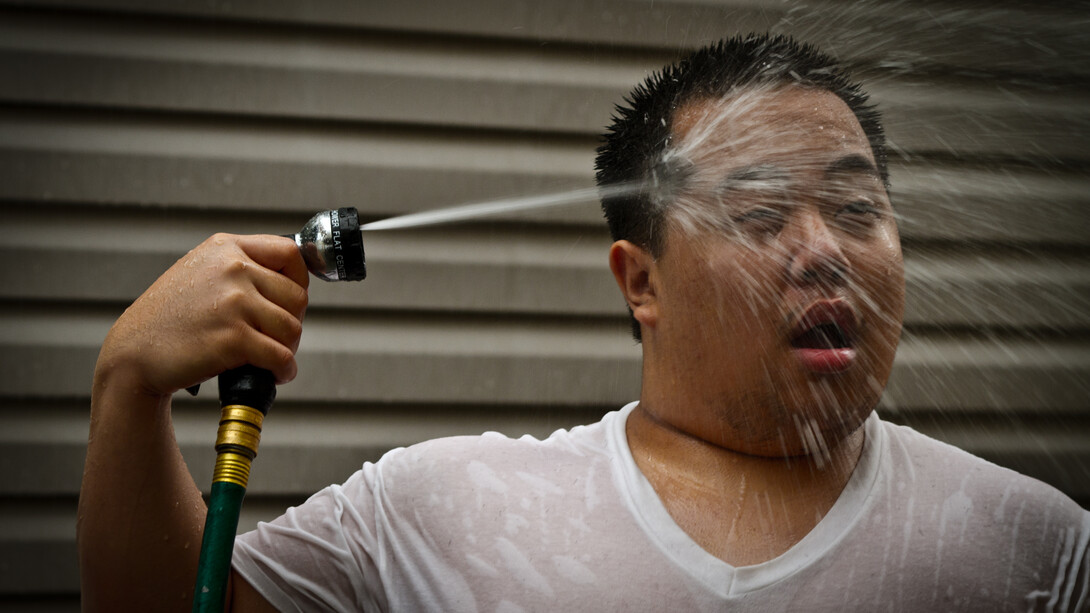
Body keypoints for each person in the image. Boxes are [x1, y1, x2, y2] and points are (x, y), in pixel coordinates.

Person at [79, 34, 1089, 612]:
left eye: (859, 208)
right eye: (760, 214)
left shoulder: (1029, 546)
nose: (823, 249)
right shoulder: (444, 509)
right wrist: (129, 386)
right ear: (637, 281)